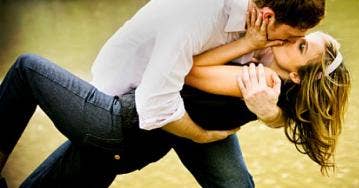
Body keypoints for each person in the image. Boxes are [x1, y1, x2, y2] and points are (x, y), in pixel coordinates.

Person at [0, 0, 328, 187]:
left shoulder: (266, 46)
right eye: (292, 38)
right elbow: (156, 104)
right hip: (117, 110)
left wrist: (271, 114)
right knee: (29, 69)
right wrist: (201, 136)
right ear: (267, 15)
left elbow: (299, 105)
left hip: (153, 127)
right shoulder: (200, 17)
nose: (283, 44)